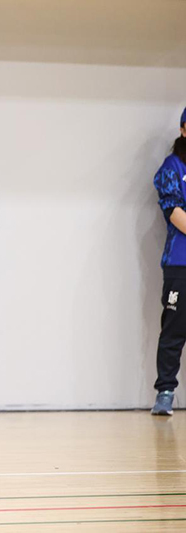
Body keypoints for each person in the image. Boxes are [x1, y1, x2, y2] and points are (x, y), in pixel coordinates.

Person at [151, 107, 186, 416]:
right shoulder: (172, 167)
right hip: (180, 263)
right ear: (183, 130)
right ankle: (165, 392)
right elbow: (174, 212)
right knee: (174, 330)